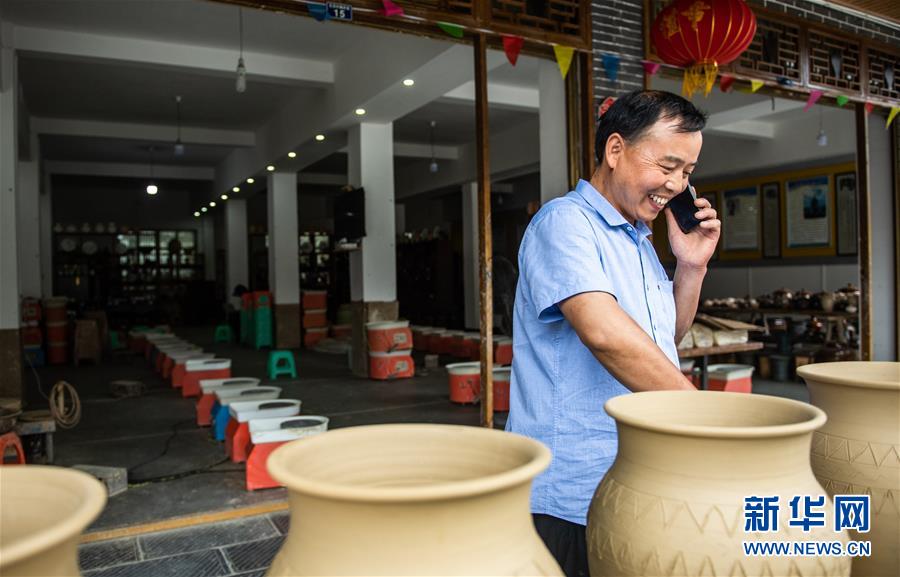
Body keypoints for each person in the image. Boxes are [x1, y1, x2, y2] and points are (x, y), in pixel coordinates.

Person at [506, 90, 721, 576]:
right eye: (667, 166)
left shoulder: (640, 240)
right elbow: (604, 333)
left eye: (687, 173)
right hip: (573, 487)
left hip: (632, 475)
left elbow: (666, 338)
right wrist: (706, 418)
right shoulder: (565, 223)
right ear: (616, 150)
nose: (676, 185)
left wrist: (690, 269)